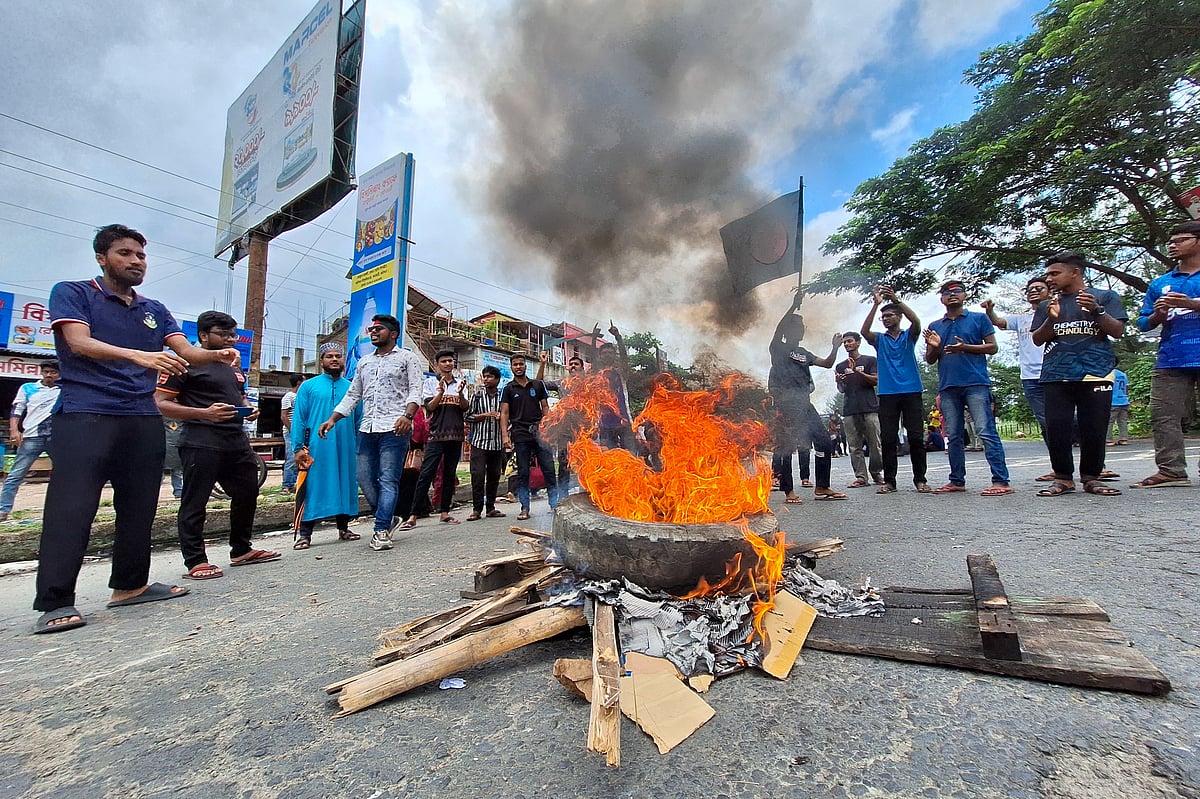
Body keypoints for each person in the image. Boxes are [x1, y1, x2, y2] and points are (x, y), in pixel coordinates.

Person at [33, 224, 238, 634]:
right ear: (102, 258)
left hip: (141, 417)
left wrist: (217, 354)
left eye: (141, 255)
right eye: (125, 253)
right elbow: (78, 342)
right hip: (85, 413)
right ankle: (56, 600)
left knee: (139, 506)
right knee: (72, 508)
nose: (135, 261)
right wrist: (142, 357)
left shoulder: (155, 309)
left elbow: (188, 352)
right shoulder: (73, 292)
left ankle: (129, 585)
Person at [156, 310, 280, 579]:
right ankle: (196, 560)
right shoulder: (183, 363)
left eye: (232, 335)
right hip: (201, 440)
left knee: (247, 493)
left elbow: (239, 396)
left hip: (235, 439)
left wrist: (247, 408)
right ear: (203, 335)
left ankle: (241, 549)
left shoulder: (233, 366)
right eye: (222, 334)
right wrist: (205, 413)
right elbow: (161, 404)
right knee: (195, 501)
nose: (229, 340)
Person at [319, 314, 422, 551]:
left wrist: (407, 416)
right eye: (371, 329)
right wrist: (333, 419)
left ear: (393, 334)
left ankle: (380, 530)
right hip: (367, 428)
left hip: (395, 428)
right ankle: (389, 517)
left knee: (388, 479)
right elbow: (354, 394)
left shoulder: (408, 358)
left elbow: (415, 391)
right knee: (364, 477)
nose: (373, 332)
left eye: (378, 329)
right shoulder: (364, 362)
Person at [1029, 253, 1127, 497]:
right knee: (1057, 427)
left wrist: (1097, 311)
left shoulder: (1105, 297)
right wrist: (1051, 319)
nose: (1049, 279)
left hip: (1096, 372)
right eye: (1048, 274)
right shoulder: (1047, 305)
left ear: (1075, 272)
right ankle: (1062, 478)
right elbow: (1037, 339)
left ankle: (1092, 477)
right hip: (1056, 373)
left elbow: (1117, 331)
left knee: (1093, 427)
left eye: (1055, 273)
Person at [924, 279, 1014, 496]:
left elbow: (992, 347)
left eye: (957, 291)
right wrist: (935, 347)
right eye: (947, 292)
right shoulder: (935, 326)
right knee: (953, 435)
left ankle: (1001, 481)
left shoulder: (979, 318)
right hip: (948, 386)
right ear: (942, 299)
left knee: (985, 431)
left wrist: (965, 347)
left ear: (964, 296)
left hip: (976, 383)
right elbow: (930, 359)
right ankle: (956, 480)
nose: (952, 294)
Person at [1132, 221, 1200, 488]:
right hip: (1171, 357)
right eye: (1170, 241)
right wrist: (1158, 314)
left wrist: (1191, 304)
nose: (1172, 245)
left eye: (1180, 240)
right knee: (1163, 415)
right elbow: (1142, 323)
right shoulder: (1161, 283)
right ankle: (1171, 471)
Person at [768, 296, 847, 503]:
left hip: (805, 404)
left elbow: (827, 363)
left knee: (823, 442)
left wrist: (835, 348)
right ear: (787, 330)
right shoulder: (778, 349)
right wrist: (792, 305)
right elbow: (778, 329)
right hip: (785, 405)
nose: (801, 329)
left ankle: (822, 486)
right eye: (796, 325)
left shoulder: (803, 353)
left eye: (802, 326)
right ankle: (789, 491)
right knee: (786, 447)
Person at [860, 286, 931, 494]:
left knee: (916, 437)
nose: (886, 319)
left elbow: (916, 322)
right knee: (889, 438)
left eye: (890, 315)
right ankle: (890, 481)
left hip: (911, 391)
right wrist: (875, 305)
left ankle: (920, 480)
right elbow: (864, 332)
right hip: (887, 393)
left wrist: (896, 300)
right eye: (884, 317)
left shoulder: (909, 336)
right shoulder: (880, 340)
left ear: (899, 317)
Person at [982, 277, 1055, 479]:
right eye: (1029, 289)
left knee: (1072, 420)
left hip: (1056, 373)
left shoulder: (1060, 312)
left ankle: (1096, 466)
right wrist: (989, 311)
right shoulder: (1021, 318)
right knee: (1045, 423)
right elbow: (998, 322)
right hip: (1030, 377)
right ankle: (1059, 468)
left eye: (1039, 288)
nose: (1033, 291)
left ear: (1049, 292)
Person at [290, 343, 361, 548]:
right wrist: (298, 447)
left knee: (344, 483)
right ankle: (305, 534)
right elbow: (299, 419)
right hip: (316, 447)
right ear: (321, 361)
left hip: (346, 446)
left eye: (338, 356)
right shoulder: (308, 387)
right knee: (312, 485)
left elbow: (359, 419)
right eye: (329, 356)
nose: (334, 359)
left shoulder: (351, 387)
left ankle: (344, 528)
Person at [400, 349, 468, 528]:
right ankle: (413, 515)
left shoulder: (461, 383)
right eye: (444, 361)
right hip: (436, 435)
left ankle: (445, 512)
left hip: (456, 435)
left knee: (448, 475)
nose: (448, 364)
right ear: (437, 364)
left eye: (450, 361)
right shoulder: (430, 383)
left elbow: (465, 407)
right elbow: (429, 407)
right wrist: (441, 391)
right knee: (426, 474)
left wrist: (459, 394)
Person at [500, 353, 561, 520]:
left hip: (541, 433)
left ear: (525, 366)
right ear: (511, 367)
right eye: (515, 364)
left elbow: (545, 407)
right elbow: (504, 413)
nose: (518, 367)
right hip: (520, 434)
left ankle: (554, 505)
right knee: (523, 472)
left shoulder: (537, 385)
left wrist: (547, 424)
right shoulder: (508, 389)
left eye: (521, 364)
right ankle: (525, 508)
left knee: (549, 470)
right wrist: (505, 436)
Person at [0, 359, 60, 522]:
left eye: (53, 372)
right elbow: (17, 409)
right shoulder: (28, 388)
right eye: (46, 371)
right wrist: (14, 430)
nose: (49, 375)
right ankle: (3, 509)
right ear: (41, 372)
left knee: (65, 472)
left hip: (56, 437)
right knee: (16, 473)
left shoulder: (63, 390)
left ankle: (63, 510)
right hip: (32, 436)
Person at [834, 333, 883, 488]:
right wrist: (839, 381)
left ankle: (876, 472)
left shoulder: (869, 360)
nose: (847, 344)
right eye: (844, 342)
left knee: (875, 443)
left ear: (858, 343)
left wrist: (858, 372)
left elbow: (876, 380)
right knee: (854, 446)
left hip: (869, 407)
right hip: (849, 410)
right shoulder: (841, 366)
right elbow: (842, 390)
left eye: (849, 341)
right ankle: (861, 477)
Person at [537, 350, 585, 489]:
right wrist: (542, 363)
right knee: (564, 463)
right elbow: (539, 383)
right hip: (564, 430)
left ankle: (587, 493)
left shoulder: (589, 384)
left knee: (585, 462)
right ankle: (562, 496)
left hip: (583, 430)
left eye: (576, 364)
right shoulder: (561, 383)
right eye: (571, 364)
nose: (573, 366)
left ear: (582, 368)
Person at [465, 364, 507, 521]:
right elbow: (468, 417)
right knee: (477, 475)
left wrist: (501, 419)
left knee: (494, 475)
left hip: (497, 443)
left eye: (490, 377)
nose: (486, 379)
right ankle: (476, 509)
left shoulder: (503, 397)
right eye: (485, 376)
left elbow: (509, 416)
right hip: (479, 442)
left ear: (497, 379)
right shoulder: (476, 396)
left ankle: (490, 507)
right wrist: (485, 415)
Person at [596, 324, 636, 451]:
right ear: (600, 356)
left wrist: (618, 337)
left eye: (610, 353)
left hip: (623, 422)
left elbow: (624, 358)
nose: (607, 355)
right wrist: (593, 338)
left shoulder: (621, 373)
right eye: (604, 353)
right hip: (605, 424)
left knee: (631, 457)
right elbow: (592, 357)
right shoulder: (597, 374)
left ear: (614, 356)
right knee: (609, 459)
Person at [281, 373, 305, 493]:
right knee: (291, 458)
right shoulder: (289, 396)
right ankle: (287, 485)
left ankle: (294, 483)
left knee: (301, 458)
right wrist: (293, 430)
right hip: (291, 432)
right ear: (299, 383)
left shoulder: (302, 397)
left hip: (300, 432)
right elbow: (284, 416)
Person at [1107, 369, 1130, 446]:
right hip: (1124, 400)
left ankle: (1108, 439)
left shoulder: (1109, 374)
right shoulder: (1123, 374)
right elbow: (1126, 389)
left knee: (1109, 421)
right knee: (1122, 421)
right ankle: (1124, 439)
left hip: (1113, 401)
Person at [162, 417, 184, 499]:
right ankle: (178, 490)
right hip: (177, 444)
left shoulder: (163, 415)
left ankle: (178, 490)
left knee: (160, 470)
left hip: (164, 445)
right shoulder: (181, 416)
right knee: (177, 470)